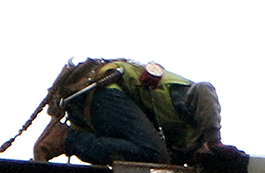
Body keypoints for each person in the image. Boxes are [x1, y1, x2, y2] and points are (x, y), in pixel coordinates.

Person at [31, 58, 233, 166]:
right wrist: (214, 140)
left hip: (92, 107)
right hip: (104, 87)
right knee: (154, 155)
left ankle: (72, 139)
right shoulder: (198, 119)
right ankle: (66, 139)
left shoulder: (182, 148)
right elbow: (205, 89)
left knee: (150, 158)